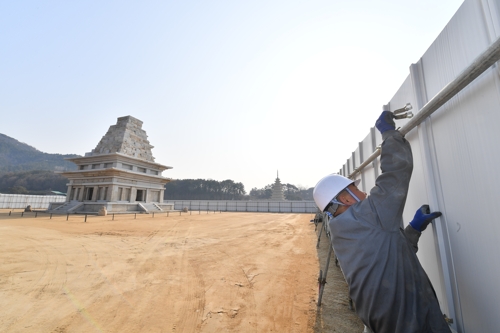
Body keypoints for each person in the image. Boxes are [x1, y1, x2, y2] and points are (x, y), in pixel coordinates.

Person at [313, 111, 451, 333]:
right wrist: (389, 134)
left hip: (382, 318)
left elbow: (388, 257)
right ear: (346, 198)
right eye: (356, 188)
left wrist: (413, 230)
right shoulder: (367, 215)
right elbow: (397, 170)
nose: (364, 192)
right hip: (407, 320)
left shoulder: (342, 230)